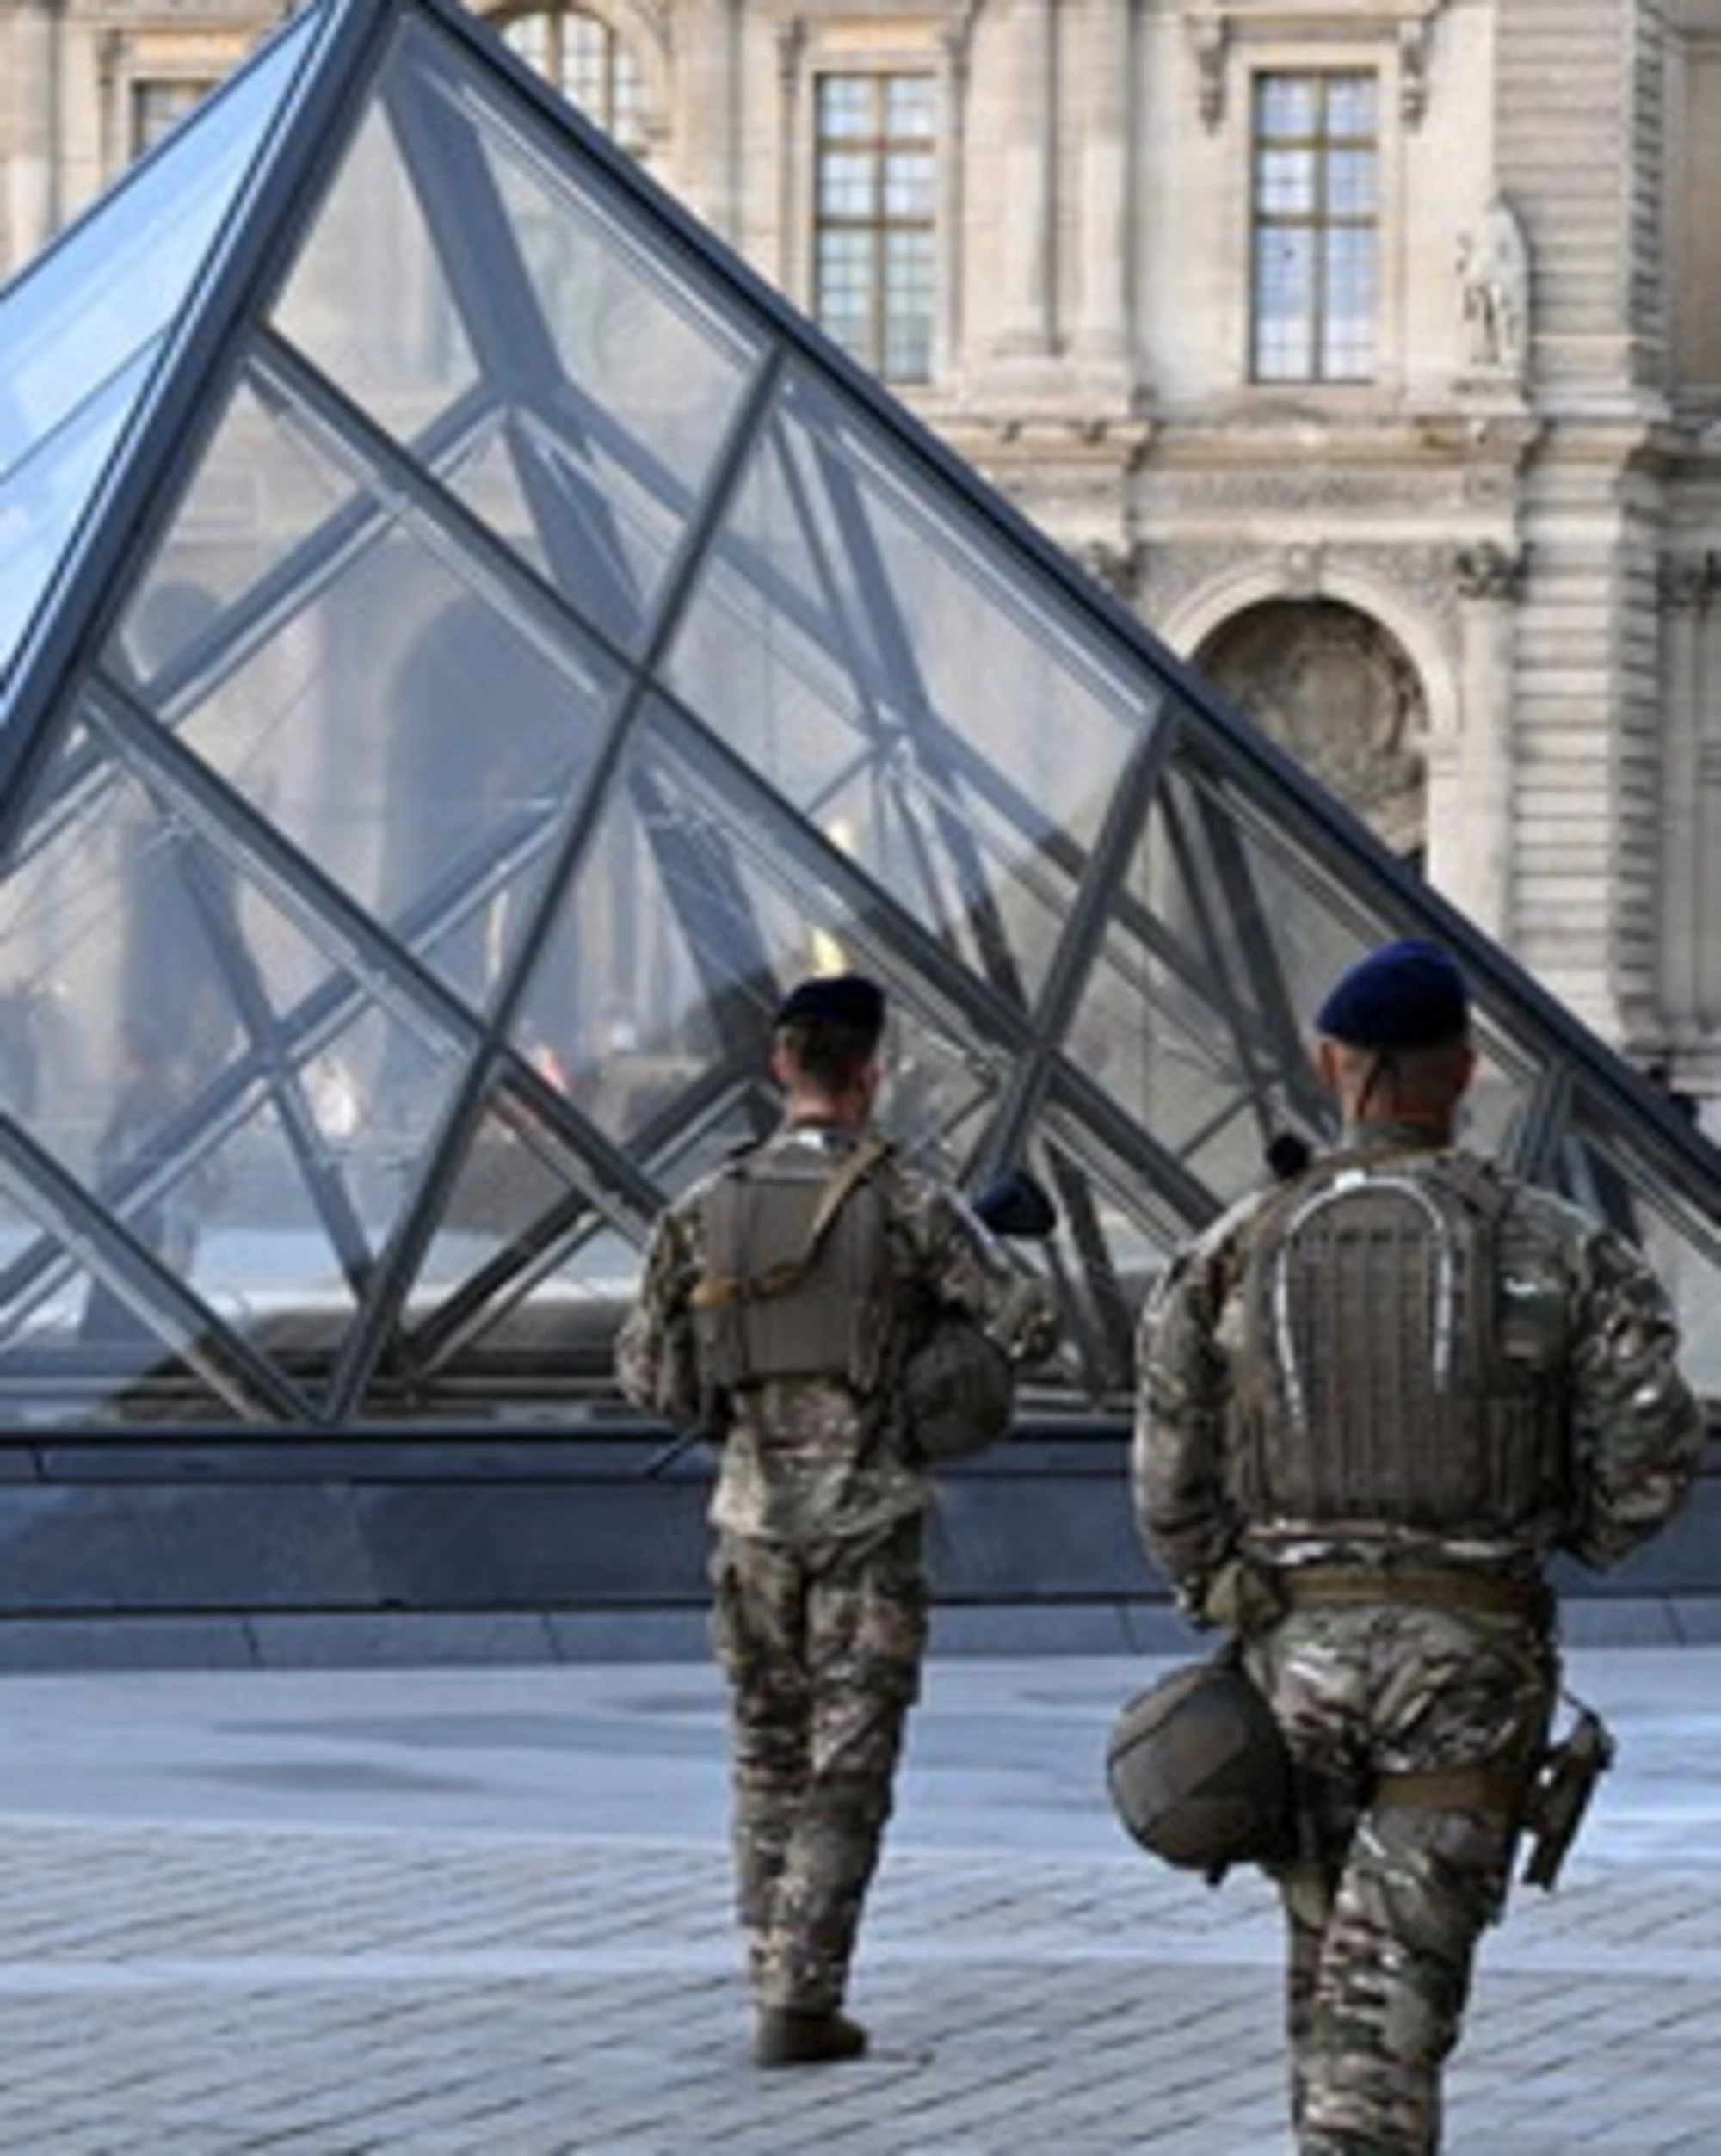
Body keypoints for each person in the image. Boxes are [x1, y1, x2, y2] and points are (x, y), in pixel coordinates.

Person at [1132, 939, 1705, 2154]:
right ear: (1469, 1068)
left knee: (1330, 1973)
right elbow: (1654, 1448)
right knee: (1389, 1994)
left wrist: (1226, 1590)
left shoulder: (1238, 1245)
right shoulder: (1554, 1244)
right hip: (1469, 1659)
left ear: (1332, 1066)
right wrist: (1562, 1537)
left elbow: (1168, 1468)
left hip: (1292, 1658)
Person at [615, 973, 1058, 2068]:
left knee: (764, 1756)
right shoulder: (907, 1200)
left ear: (780, 1066)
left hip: (748, 1524)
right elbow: (1029, 1323)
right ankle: (801, 1994)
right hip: (868, 1521)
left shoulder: (702, 1207)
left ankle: (771, 1963)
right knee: (845, 1766)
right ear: (873, 1071)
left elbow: (646, 1373)